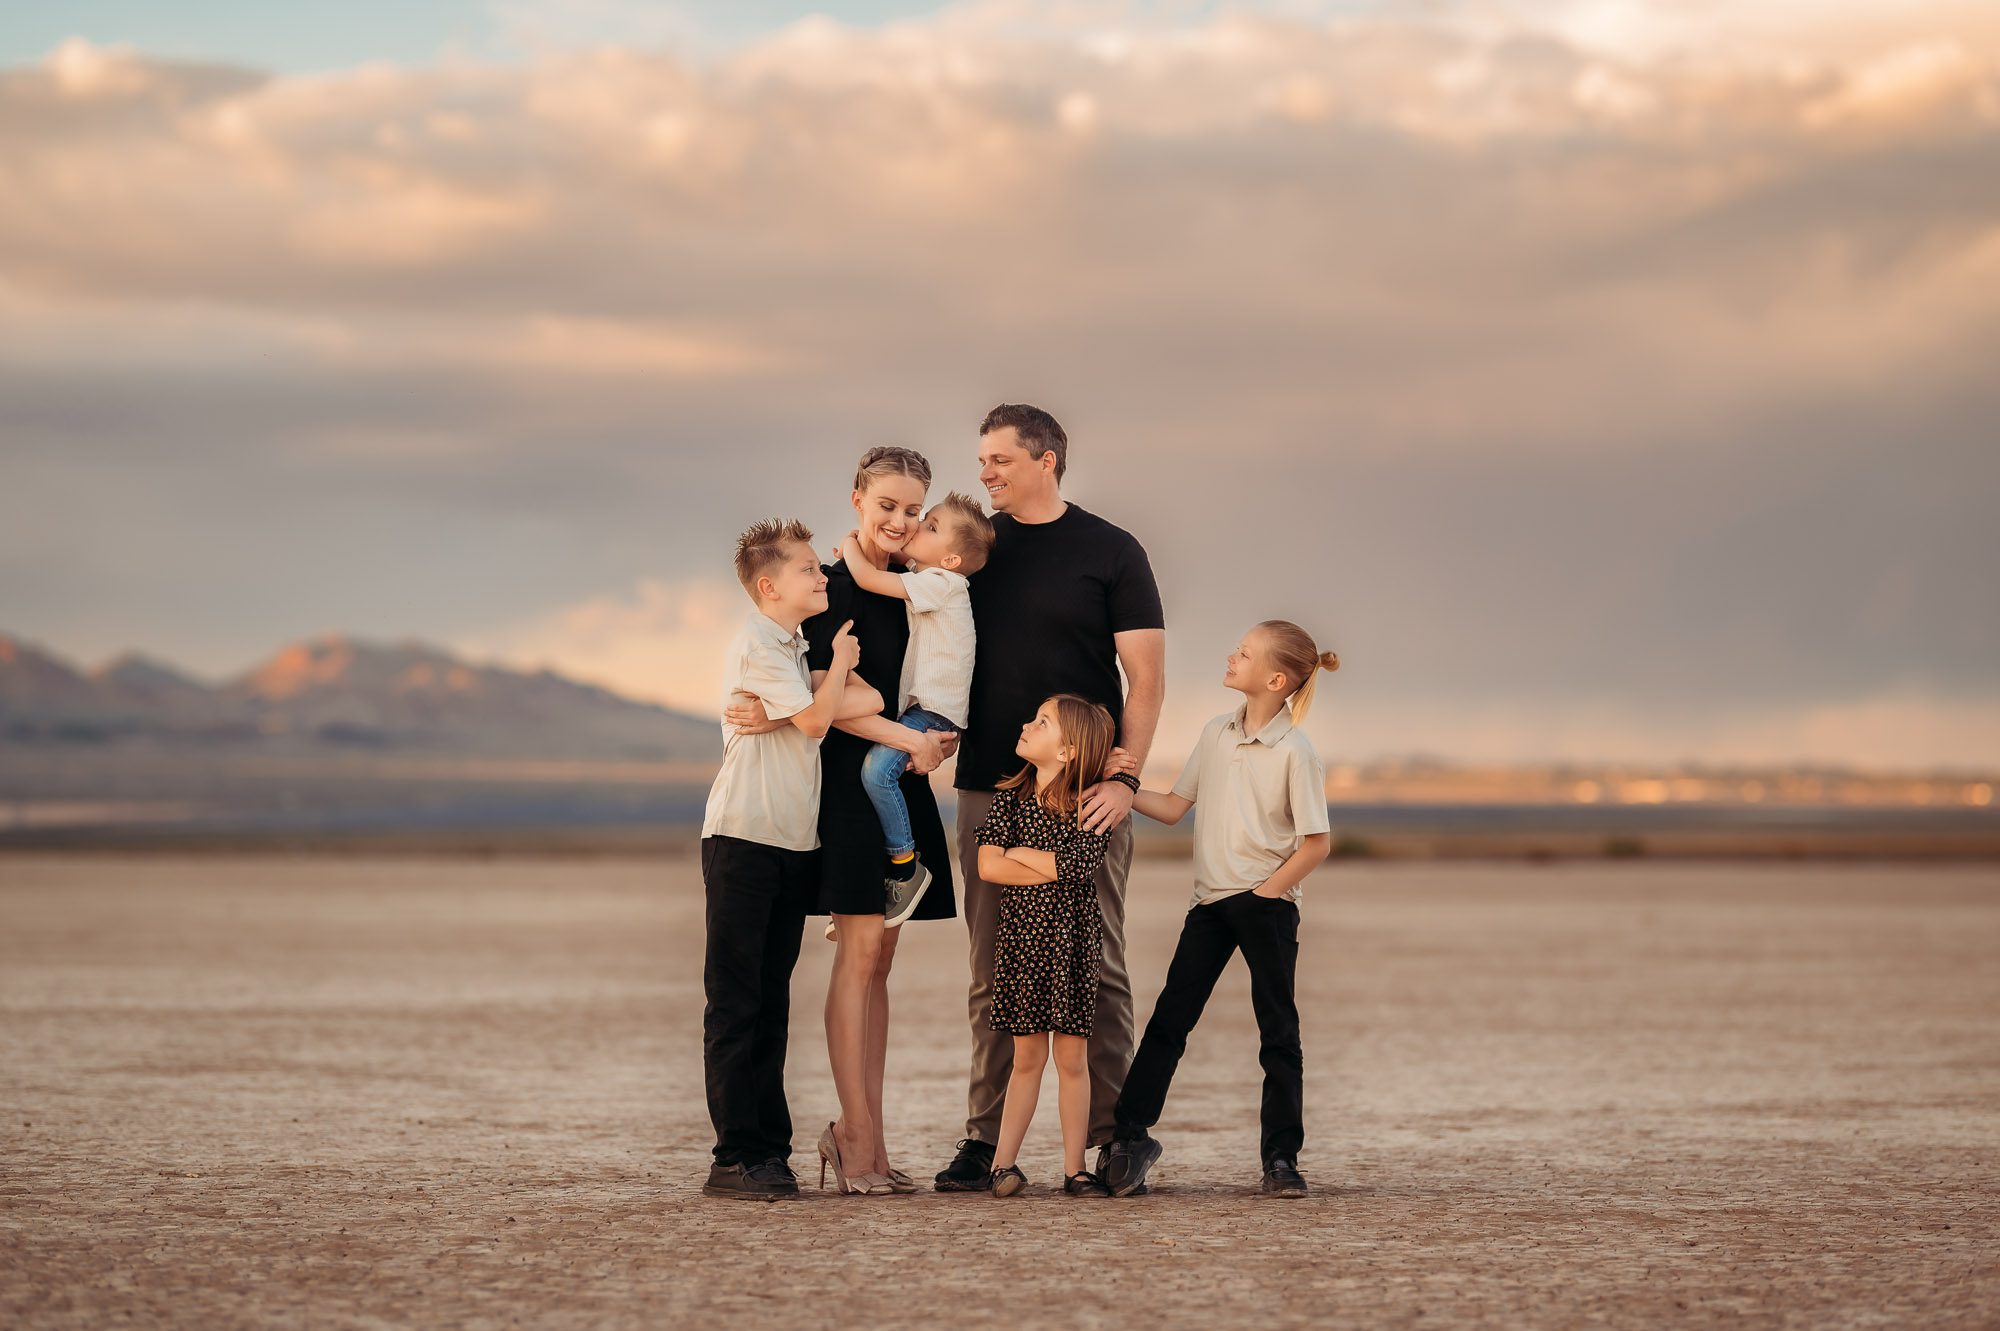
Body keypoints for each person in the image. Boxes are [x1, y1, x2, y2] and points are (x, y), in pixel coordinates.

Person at [937, 404, 1167, 1193]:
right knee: (990, 968)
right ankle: (984, 1141)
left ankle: (1113, 1137)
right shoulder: (974, 552)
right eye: (982, 460)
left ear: (1048, 459)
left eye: (999, 459)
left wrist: (1124, 778)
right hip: (984, 787)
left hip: (1086, 796)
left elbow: (1146, 678)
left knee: (1095, 962)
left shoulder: (1111, 550)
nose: (985, 473)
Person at [725, 446, 959, 1196]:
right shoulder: (824, 590)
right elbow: (830, 699)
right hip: (849, 790)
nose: (899, 519)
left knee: (882, 963)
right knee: (857, 957)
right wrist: (906, 735)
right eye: (886, 503)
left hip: (904, 779)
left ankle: (873, 1142)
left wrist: (941, 735)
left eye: (912, 508)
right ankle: (854, 1141)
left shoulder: (925, 586)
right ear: (857, 497)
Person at [1100, 621, 1339, 1200]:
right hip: (1208, 905)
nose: (1232, 657)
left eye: (1245, 653)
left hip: (1267, 907)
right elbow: (1175, 806)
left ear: (1275, 679)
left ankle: (1281, 1160)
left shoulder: (1295, 751)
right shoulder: (1215, 733)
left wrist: (1265, 895)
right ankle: (1128, 1138)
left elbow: (1317, 843)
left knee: (1277, 1034)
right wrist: (1120, 783)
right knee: (1168, 1023)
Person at [698, 518, 861, 1201]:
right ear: (768, 585)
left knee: (772, 1002)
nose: (822, 576)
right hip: (743, 840)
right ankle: (735, 1155)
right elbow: (821, 721)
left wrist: (792, 709)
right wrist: (843, 667)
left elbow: (805, 718)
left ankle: (770, 1149)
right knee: (737, 1002)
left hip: (791, 845)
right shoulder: (759, 641)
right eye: (808, 569)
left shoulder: (793, 646)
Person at [975, 695, 1118, 1197]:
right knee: (1026, 1058)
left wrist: (1023, 853)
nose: (1027, 724)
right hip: (1021, 944)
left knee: (1073, 1059)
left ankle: (1075, 1168)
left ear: (1068, 752)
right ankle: (1003, 1165)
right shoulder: (1009, 799)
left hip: (1071, 943)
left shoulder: (1090, 805)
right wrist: (1050, 860)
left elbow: (1079, 868)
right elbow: (989, 867)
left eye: (1042, 722)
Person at [838, 491, 995, 925]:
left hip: (930, 712)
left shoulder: (941, 585)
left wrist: (850, 545)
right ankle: (862, 875)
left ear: (949, 561)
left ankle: (905, 868)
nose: (915, 527)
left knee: (876, 773)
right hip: (928, 710)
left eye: (929, 527)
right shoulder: (929, 578)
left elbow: (870, 580)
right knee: (878, 775)